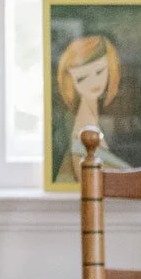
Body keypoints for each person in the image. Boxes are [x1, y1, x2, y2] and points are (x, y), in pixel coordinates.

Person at [54, 33, 132, 185]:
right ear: (72, 81)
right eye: (82, 78)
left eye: (99, 72)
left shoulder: (94, 118)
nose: (93, 82)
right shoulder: (81, 128)